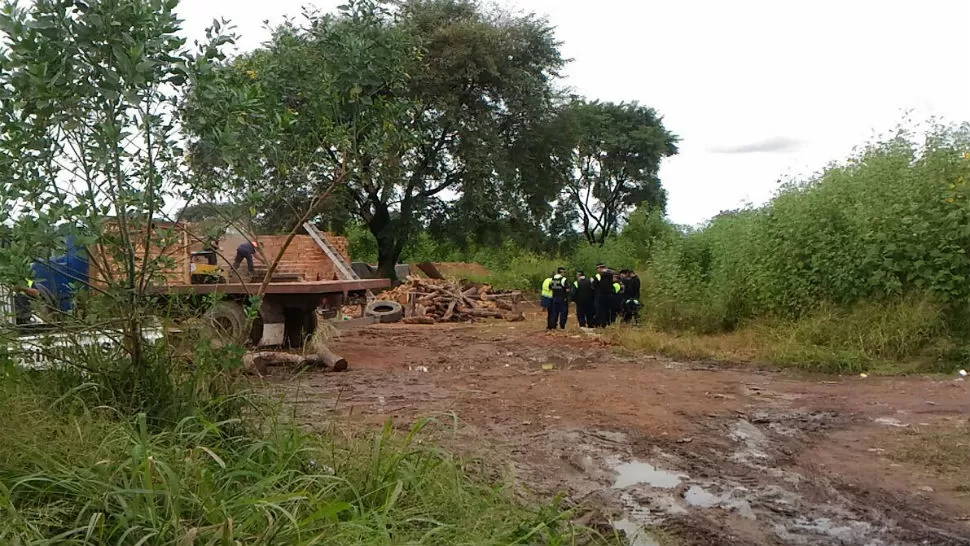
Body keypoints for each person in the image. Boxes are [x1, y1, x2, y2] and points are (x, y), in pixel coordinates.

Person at [592, 263, 615, 327]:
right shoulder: (611, 274)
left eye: (597, 268)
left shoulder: (599, 275)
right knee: (607, 309)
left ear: (600, 268)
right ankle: (608, 323)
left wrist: (592, 282)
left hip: (600, 294)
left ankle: (602, 323)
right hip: (609, 294)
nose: (597, 270)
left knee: (600, 309)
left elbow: (594, 285)